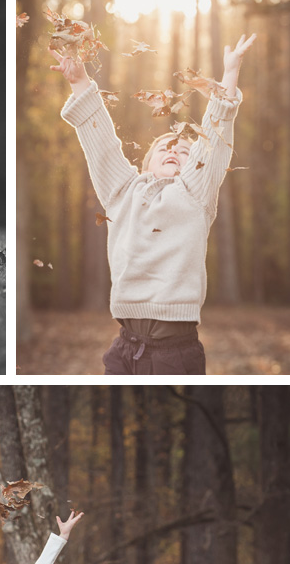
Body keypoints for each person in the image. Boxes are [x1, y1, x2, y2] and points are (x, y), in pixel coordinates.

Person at [53, 34, 256, 375]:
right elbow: (102, 146)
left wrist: (229, 76)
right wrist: (80, 81)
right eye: (164, 147)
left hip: (175, 351)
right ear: (146, 163)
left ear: (192, 164)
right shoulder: (124, 190)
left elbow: (214, 145)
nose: (173, 149)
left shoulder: (195, 192)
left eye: (182, 148)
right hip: (123, 348)